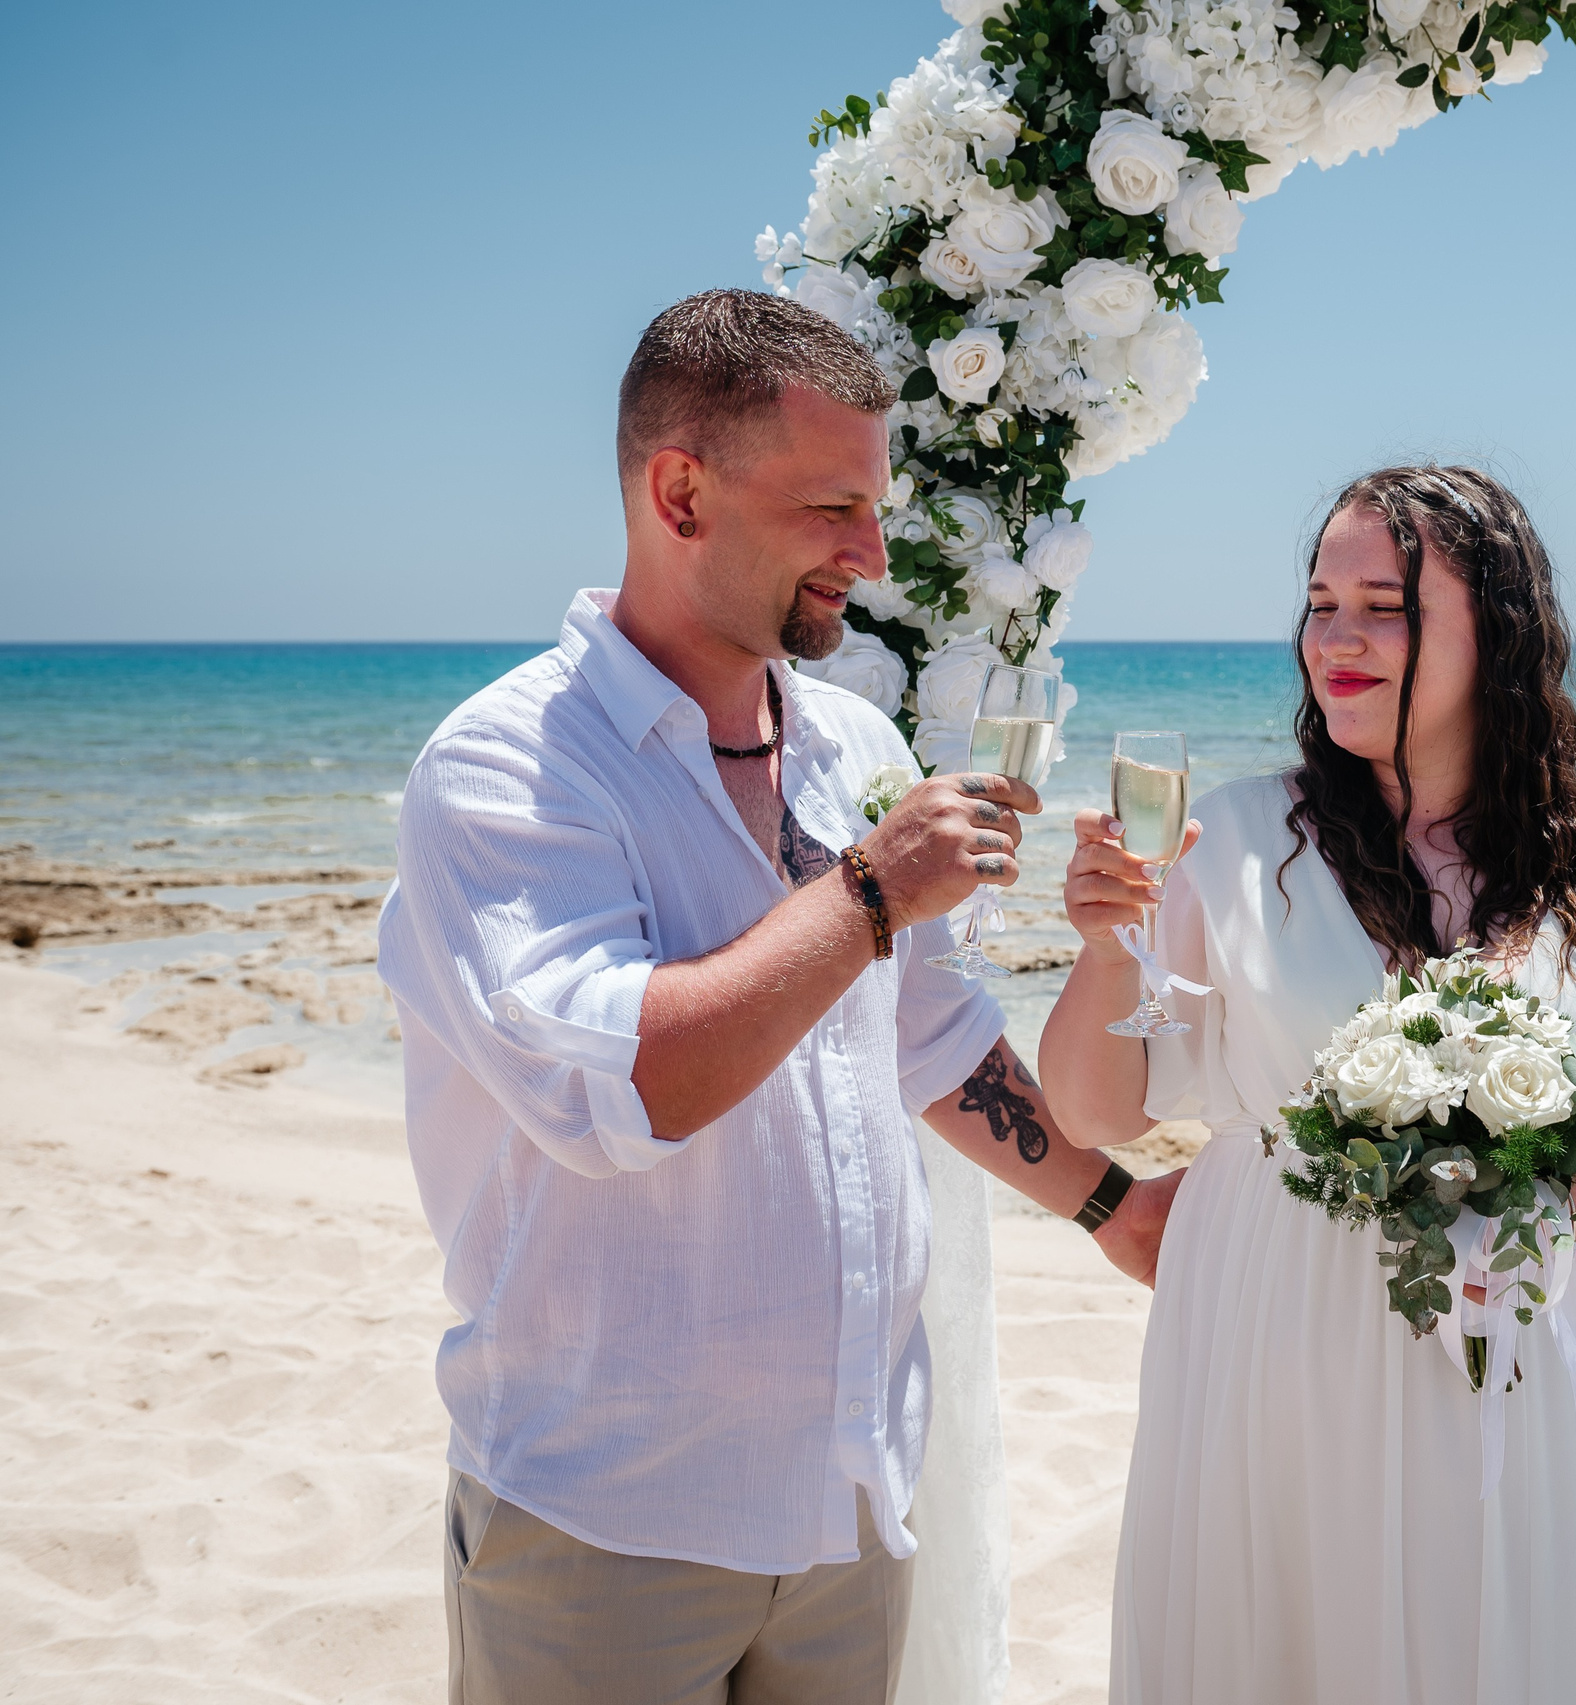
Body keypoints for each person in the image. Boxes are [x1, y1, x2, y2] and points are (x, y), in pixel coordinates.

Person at [378, 288, 1178, 1705]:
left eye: (876, 508)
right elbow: (625, 1090)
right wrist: (869, 889)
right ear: (679, 493)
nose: (871, 554)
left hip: (851, 1497)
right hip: (611, 1518)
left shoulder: (854, 743)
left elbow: (927, 1036)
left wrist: (1117, 1207)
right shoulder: (506, 766)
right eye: (831, 509)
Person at [1040, 465, 1576, 1704]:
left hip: (1524, 1343)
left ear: (1495, 631)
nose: (1334, 639)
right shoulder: (1230, 843)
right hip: (1280, 1337)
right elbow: (1094, 1111)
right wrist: (1102, 945)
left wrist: (1534, 1231)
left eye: (1383, 608)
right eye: (1319, 603)